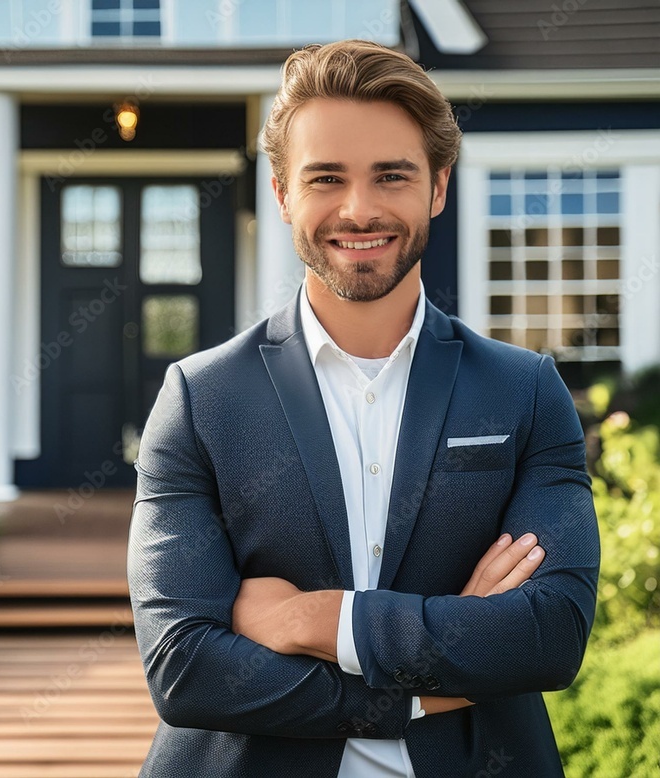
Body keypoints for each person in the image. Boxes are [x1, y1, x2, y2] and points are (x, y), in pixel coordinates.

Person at [127, 39, 599, 777]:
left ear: (438, 188)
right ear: (282, 193)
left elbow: (549, 636)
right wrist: (427, 687)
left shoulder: (526, 390)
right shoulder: (198, 400)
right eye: (326, 178)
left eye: (391, 175)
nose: (359, 209)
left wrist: (309, 619)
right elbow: (186, 669)